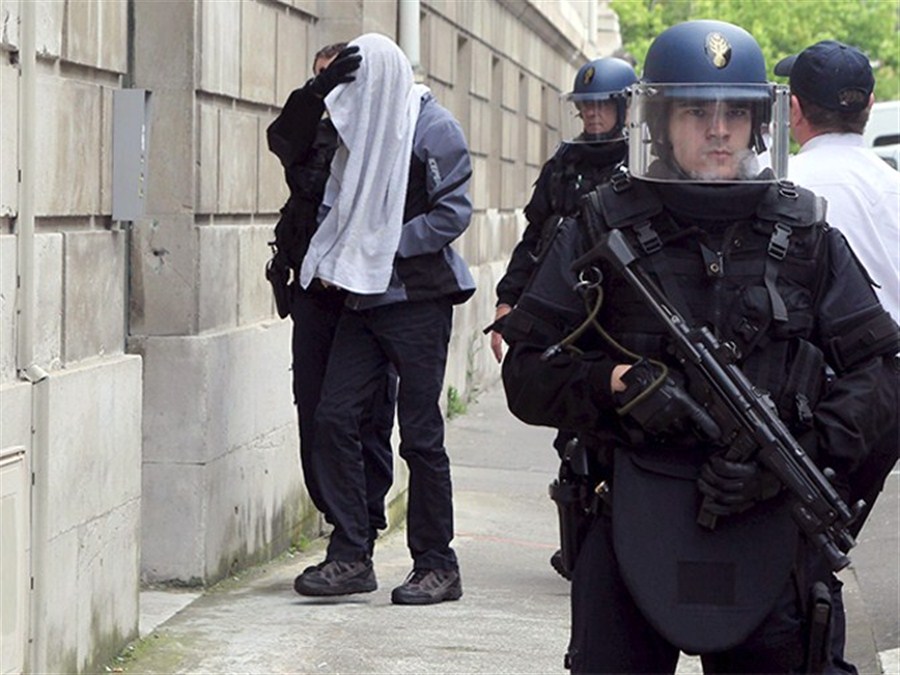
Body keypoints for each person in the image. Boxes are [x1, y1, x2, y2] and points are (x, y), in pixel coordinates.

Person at [499, 20, 898, 674]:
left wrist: (800, 455)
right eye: (696, 110)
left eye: (734, 112)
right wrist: (614, 383)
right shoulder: (601, 225)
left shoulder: (804, 234)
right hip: (629, 507)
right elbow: (526, 369)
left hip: (768, 520)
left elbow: (877, 371)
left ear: (759, 123)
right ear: (660, 120)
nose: (718, 129)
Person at [291, 33, 475, 606]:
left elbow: (452, 212)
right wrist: (331, 257)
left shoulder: (432, 128)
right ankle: (351, 553)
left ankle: (437, 564)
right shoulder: (357, 130)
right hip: (360, 300)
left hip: (416, 300)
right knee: (334, 417)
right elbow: (333, 204)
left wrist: (382, 247)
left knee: (420, 435)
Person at [775, 39, 900, 674]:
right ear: (868, 106)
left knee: (801, 550)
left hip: (817, 395)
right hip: (886, 397)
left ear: (794, 109)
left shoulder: (787, 187)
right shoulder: (892, 185)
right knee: (822, 541)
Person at [489, 57, 636, 580]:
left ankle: (619, 538)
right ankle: (580, 540)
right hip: (564, 304)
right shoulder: (566, 164)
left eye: (602, 104)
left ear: (624, 107)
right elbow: (537, 237)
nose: (593, 115)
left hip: (619, 311)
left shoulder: (644, 160)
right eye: (586, 105)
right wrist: (509, 303)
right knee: (570, 429)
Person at [266, 43, 398, 552]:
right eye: (322, 76)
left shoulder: (381, 134)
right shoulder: (312, 131)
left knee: (368, 409)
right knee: (316, 406)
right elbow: (281, 137)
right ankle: (335, 510)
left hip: (364, 295)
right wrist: (317, 92)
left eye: (339, 77)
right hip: (315, 293)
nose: (330, 86)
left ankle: (364, 514)